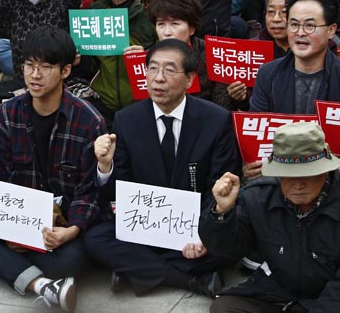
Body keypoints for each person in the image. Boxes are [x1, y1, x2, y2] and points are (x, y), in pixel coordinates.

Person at [0, 26, 108, 312]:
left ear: (65, 71)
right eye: (29, 65)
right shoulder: (9, 111)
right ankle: (41, 285)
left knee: (72, 259)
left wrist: (73, 230)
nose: (35, 75)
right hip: (20, 216)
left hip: (62, 221)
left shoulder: (89, 120)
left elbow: (89, 189)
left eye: (45, 67)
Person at [84, 39, 240, 297]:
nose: (158, 79)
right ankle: (191, 280)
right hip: (144, 225)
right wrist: (105, 165)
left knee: (233, 242)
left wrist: (202, 233)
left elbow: (219, 184)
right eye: (152, 69)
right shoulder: (126, 119)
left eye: (169, 70)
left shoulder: (216, 119)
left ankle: (135, 269)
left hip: (194, 224)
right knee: (95, 239)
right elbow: (117, 192)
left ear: (190, 79)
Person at [201, 122, 340, 313]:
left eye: (307, 173)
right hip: (279, 292)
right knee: (224, 308)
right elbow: (227, 248)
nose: (298, 184)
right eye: (288, 175)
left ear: (326, 170)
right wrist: (222, 212)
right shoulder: (258, 196)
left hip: (335, 301)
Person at [250, 0, 340, 113]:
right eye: (294, 24)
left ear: (331, 30)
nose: (300, 33)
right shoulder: (267, 75)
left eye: (309, 26)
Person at [87, 0, 158, 119]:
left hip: (149, 106)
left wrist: (148, 55)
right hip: (104, 109)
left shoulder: (156, 9)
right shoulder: (93, 13)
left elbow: (178, 52)